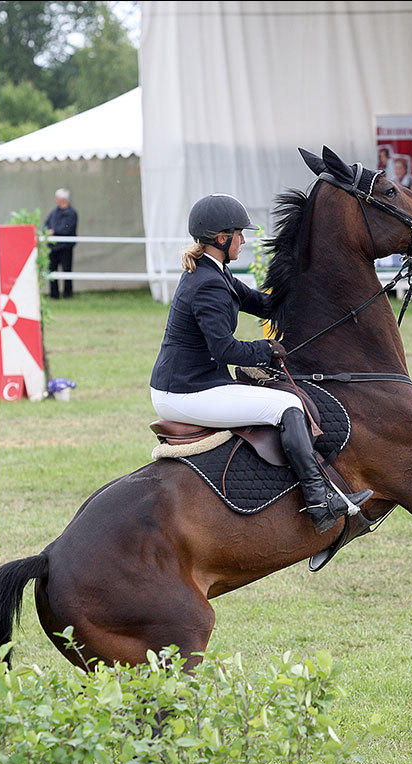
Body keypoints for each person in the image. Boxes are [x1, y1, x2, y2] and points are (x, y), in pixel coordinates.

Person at [149, 193, 372, 533]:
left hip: (191, 384)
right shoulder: (209, 284)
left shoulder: (216, 273)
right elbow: (224, 349)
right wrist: (267, 349)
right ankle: (318, 500)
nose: (244, 240)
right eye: (240, 234)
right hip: (185, 392)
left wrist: (305, 278)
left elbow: (265, 305)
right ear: (221, 238)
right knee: (287, 405)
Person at [44, 188, 78, 299]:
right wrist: (47, 231)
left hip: (65, 246)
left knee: (66, 271)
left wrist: (54, 231)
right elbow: (47, 224)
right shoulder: (54, 212)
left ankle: (68, 294)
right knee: (51, 270)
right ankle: (54, 295)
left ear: (62, 199)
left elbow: (67, 229)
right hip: (53, 246)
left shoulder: (71, 213)